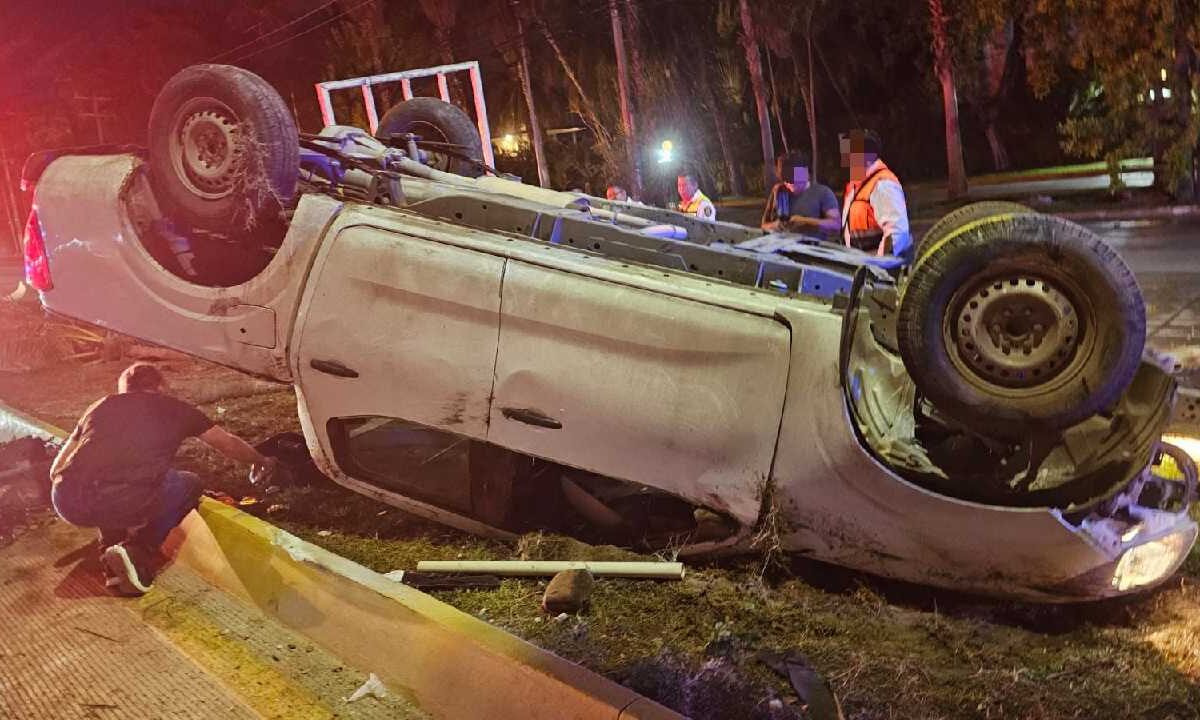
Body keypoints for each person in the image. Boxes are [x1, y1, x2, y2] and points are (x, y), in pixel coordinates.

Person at [50, 362, 276, 596]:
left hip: (66, 500)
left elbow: (56, 468)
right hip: (120, 499)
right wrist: (261, 460)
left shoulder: (100, 406)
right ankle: (140, 548)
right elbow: (227, 443)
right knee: (188, 484)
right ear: (159, 386)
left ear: (124, 389)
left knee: (106, 481)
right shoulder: (175, 409)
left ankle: (113, 559)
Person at [839, 129, 912, 261]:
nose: (847, 160)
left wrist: (877, 264)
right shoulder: (855, 186)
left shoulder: (883, 184)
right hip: (859, 263)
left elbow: (897, 233)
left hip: (877, 267)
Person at [761, 151, 841, 235]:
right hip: (782, 241)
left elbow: (836, 225)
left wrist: (805, 221)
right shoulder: (778, 190)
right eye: (786, 181)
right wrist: (775, 225)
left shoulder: (823, 192)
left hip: (810, 242)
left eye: (794, 180)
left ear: (805, 174)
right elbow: (764, 225)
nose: (790, 185)